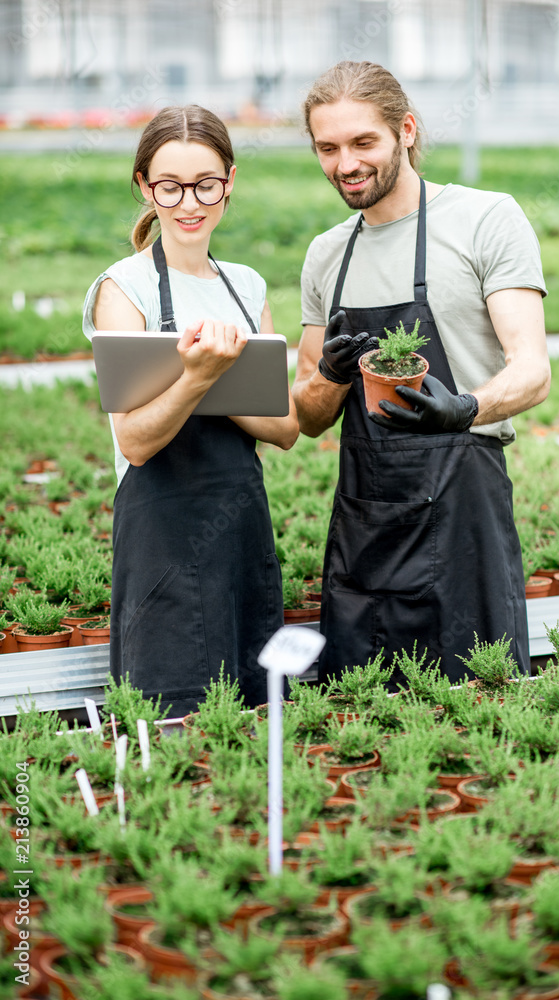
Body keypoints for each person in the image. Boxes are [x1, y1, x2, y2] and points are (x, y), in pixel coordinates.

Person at [293, 62, 550, 686]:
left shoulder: (485, 218)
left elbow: (533, 371)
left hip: (463, 509)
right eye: (328, 148)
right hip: (367, 518)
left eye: (363, 142)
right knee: (362, 702)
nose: (345, 163)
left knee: (476, 703)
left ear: (405, 130)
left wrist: (464, 407)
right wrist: (330, 373)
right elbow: (307, 414)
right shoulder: (328, 253)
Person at [83, 105, 299, 716]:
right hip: (161, 540)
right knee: (172, 710)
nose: (189, 203)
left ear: (229, 181)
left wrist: (220, 379)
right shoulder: (123, 289)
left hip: (239, 530)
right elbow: (136, 441)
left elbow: (283, 430)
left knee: (254, 713)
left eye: (205, 184)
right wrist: (199, 378)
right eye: (170, 187)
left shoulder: (246, 286)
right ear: (145, 188)